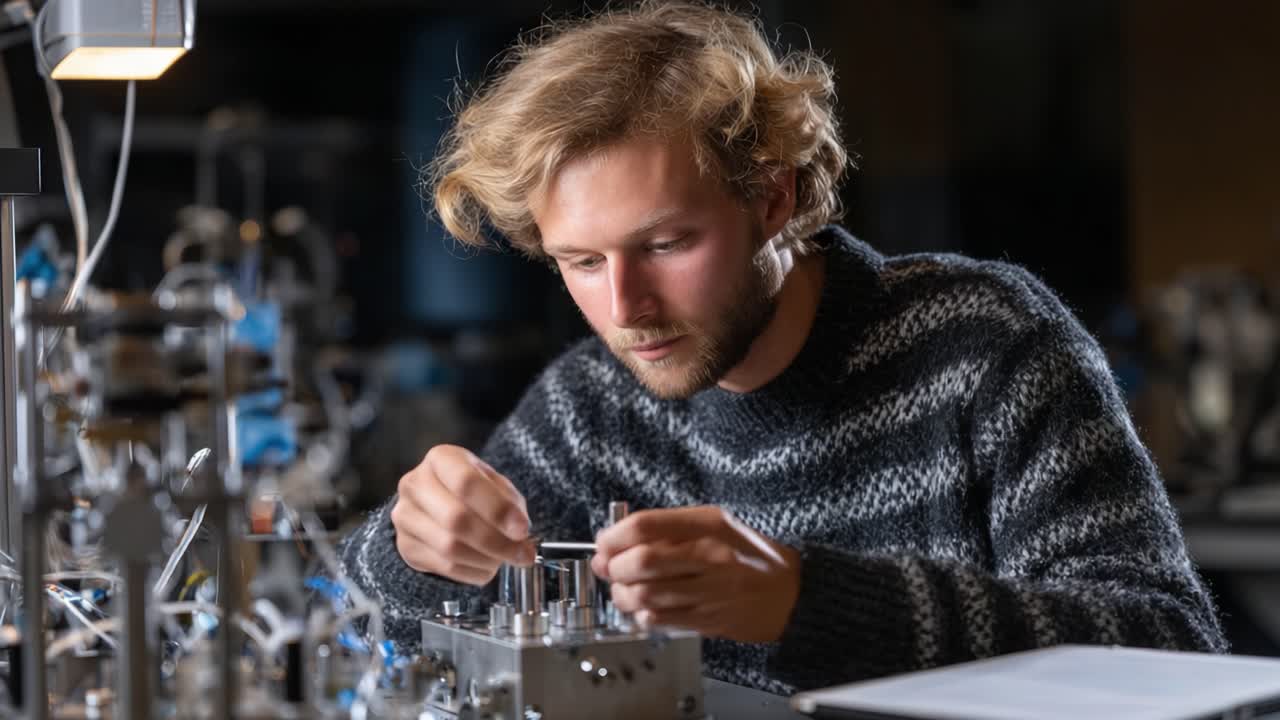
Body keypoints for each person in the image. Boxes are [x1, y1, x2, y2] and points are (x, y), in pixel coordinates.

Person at [338, 0, 1224, 694]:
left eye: (665, 246)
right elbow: (340, 635)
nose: (626, 307)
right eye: (580, 261)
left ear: (772, 200)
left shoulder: (984, 345)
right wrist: (411, 552)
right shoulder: (591, 409)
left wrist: (808, 603)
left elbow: (1174, 651)